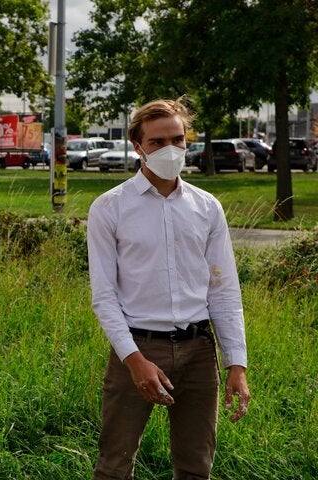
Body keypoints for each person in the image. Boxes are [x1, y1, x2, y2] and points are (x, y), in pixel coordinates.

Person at [86, 98, 251, 479]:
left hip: (198, 350)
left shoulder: (206, 207)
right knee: (114, 464)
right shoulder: (110, 208)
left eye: (178, 139)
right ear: (138, 146)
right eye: (158, 142)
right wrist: (134, 359)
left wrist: (236, 364)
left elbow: (224, 291)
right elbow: (104, 297)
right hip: (139, 347)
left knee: (196, 467)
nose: (170, 149)